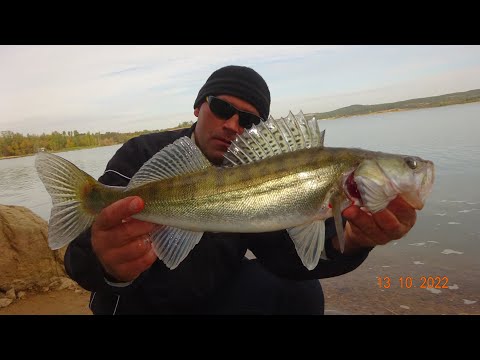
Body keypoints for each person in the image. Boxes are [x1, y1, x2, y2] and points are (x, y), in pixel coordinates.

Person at [64, 65, 417, 315]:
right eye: (221, 108)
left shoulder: (257, 172)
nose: (232, 125)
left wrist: (351, 240)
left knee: (301, 293)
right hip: (139, 305)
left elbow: (288, 258)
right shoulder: (142, 154)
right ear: (198, 107)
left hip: (210, 297)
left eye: (249, 120)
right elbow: (79, 260)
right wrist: (107, 263)